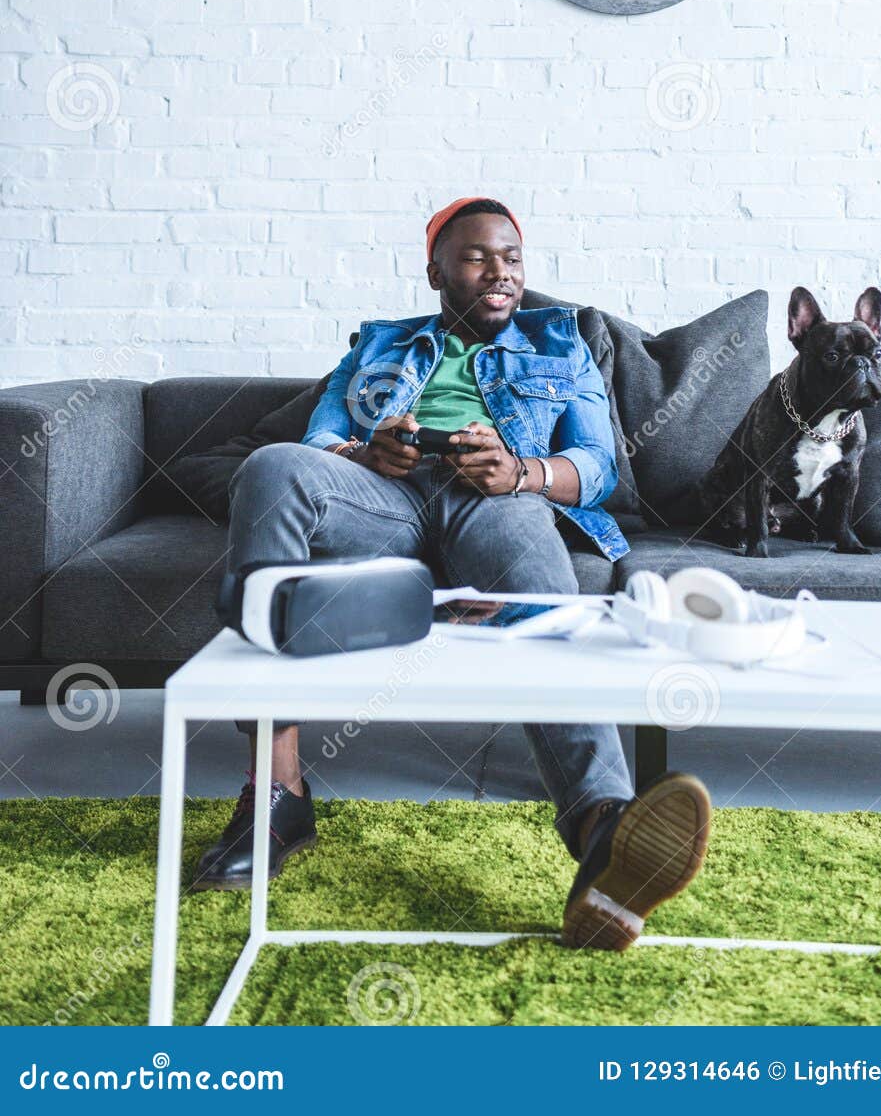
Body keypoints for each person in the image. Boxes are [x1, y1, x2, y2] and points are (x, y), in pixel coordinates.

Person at [194, 197, 711, 949]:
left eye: (512, 258)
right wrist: (366, 453)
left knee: (538, 583)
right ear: (436, 271)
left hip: (498, 500)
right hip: (388, 498)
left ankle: (604, 830)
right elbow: (320, 438)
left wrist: (523, 469)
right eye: (478, 257)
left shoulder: (562, 343)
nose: (500, 272)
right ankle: (278, 796)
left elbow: (600, 469)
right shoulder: (381, 343)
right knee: (272, 468)